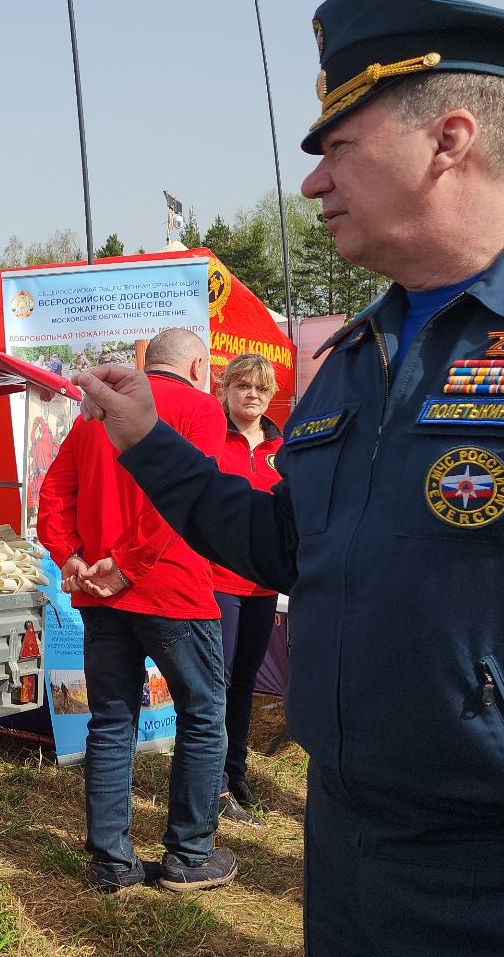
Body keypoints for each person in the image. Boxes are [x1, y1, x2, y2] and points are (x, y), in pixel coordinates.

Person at [74, 0, 504, 955]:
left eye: (339, 147)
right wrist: (151, 443)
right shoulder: (360, 354)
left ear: (450, 139)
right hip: (353, 854)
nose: (314, 185)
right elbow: (289, 545)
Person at [35, 327, 236, 894]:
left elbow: (54, 495)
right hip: (171, 590)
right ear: (198, 367)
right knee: (202, 714)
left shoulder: (97, 415)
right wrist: (125, 563)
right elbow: (185, 499)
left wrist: (71, 557)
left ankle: (112, 863)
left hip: (101, 593)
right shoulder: (200, 409)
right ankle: (190, 855)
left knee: (110, 720)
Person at [209, 353, 283, 828]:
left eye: (259, 387)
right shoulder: (211, 439)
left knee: (244, 684)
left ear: (270, 393)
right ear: (226, 391)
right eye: (241, 386)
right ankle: (210, 781)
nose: (250, 395)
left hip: (263, 584)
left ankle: (236, 773)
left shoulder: (285, 447)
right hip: (216, 581)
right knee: (215, 683)